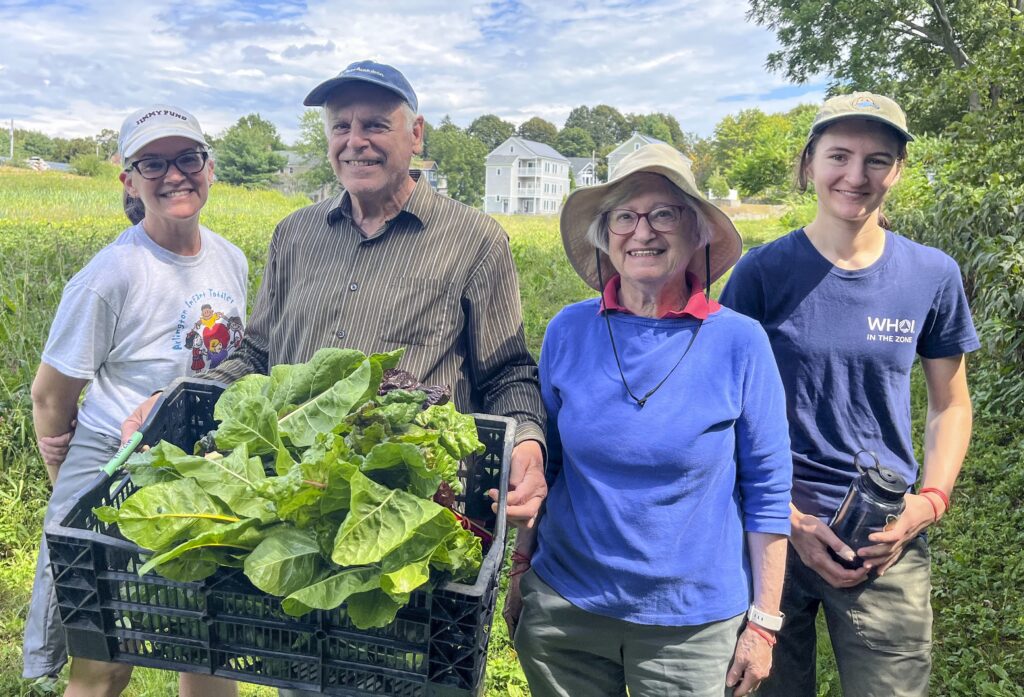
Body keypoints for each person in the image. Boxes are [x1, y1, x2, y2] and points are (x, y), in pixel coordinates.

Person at [120, 62, 547, 697]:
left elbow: (508, 369)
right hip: (303, 515)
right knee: (311, 678)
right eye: (340, 125)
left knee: (409, 681)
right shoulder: (295, 234)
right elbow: (257, 354)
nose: (356, 140)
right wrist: (174, 398)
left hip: (409, 522)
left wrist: (530, 442)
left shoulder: (474, 240)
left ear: (416, 134)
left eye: (376, 123)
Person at [507, 143, 793, 697]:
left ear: (696, 232)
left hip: (692, 624)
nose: (643, 231)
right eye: (625, 216)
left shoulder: (739, 341)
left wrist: (764, 623)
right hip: (567, 608)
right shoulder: (569, 330)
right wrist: (522, 570)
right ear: (605, 235)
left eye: (664, 213)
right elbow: (550, 468)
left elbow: (767, 487)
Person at [720, 92, 980, 696]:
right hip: (771, 533)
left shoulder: (931, 275)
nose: (856, 176)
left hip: (884, 538)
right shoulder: (762, 273)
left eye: (878, 160)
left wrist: (929, 503)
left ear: (899, 170)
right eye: (839, 155)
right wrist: (786, 518)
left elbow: (951, 404)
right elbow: (721, 412)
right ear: (808, 162)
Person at [24, 105, 246, 697]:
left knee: (209, 638)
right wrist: (70, 479)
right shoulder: (112, 274)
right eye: (153, 163)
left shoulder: (231, 257)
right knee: (105, 652)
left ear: (209, 167)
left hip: (202, 460)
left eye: (187, 158)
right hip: (116, 461)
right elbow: (50, 395)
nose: (174, 175)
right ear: (129, 180)